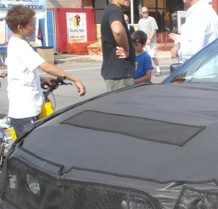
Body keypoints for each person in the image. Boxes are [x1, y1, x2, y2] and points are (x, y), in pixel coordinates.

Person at [5, 5, 86, 138]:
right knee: (32, 148)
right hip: (25, 112)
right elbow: (46, 66)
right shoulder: (21, 46)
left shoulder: (14, 43)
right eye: (31, 24)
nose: (34, 27)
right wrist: (74, 78)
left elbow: (21, 71)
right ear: (20, 27)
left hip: (25, 109)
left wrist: (42, 79)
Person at [100, 0, 135, 92]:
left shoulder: (110, 10)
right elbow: (117, 30)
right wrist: (127, 49)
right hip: (120, 74)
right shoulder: (115, 10)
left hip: (116, 73)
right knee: (124, 105)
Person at [138, 7, 161, 76]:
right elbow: (139, 31)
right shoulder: (140, 21)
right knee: (144, 56)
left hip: (151, 42)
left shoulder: (151, 19)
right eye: (144, 12)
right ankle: (146, 70)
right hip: (143, 42)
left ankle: (158, 69)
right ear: (141, 13)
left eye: (146, 12)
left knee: (152, 56)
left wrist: (150, 38)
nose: (145, 13)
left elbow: (154, 29)